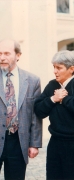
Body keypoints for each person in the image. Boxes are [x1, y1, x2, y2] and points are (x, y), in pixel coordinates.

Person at [0, 39, 42, 180]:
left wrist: (34, 143)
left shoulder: (32, 80)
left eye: (6, 53)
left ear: (18, 55)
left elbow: (35, 115)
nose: (2, 57)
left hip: (18, 142)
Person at [34, 50, 74, 180]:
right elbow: (38, 110)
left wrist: (64, 99)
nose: (55, 71)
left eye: (59, 68)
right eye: (54, 67)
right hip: (55, 143)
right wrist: (53, 99)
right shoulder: (52, 85)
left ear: (71, 69)